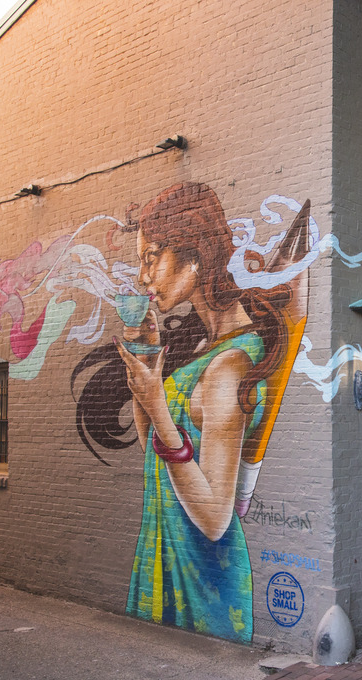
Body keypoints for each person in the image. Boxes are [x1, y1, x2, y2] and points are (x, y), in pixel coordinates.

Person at [79, 182, 308, 641]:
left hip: (205, 585)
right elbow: (154, 455)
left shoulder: (229, 365)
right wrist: (145, 364)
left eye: (151, 257)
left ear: (196, 256)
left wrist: (158, 406)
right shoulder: (208, 348)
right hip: (167, 556)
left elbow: (214, 518)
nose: (143, 277)